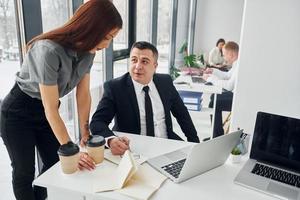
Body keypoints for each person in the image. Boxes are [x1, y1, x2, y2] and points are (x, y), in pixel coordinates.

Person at [0, 1, 122, 200]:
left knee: (53, 164)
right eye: (107, 37)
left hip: (46, 111)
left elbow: (83, 95)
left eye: (112, 39)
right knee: (24, 172)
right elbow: (50, 107)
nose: (107, 45)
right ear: (92, 27)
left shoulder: (89, 53)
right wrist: (71, 148)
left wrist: (85, 131)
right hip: (17, 112)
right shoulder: (48, 50)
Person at [90, 41, 200, 156]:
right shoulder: (115, 88)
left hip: (167, 143)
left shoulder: (165, 82)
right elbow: (97, 122)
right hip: (133, 149)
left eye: (144, 61)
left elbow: (182, 114)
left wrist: (195, 143)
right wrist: (111, 140)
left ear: (155, 66)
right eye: (134, 60)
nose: (138, 66)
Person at [204, 41, 239, 138]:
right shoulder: (237, 64)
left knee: (214, 101)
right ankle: (216, 135)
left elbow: (229, 86)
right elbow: (227, 76)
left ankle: (217, 136)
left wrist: (210, 79)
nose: (224, 57)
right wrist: (213, 71)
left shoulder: (239, 65)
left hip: (237, 98)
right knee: (213, 97)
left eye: (224, 55)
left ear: (231, 54)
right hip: (234, 94)